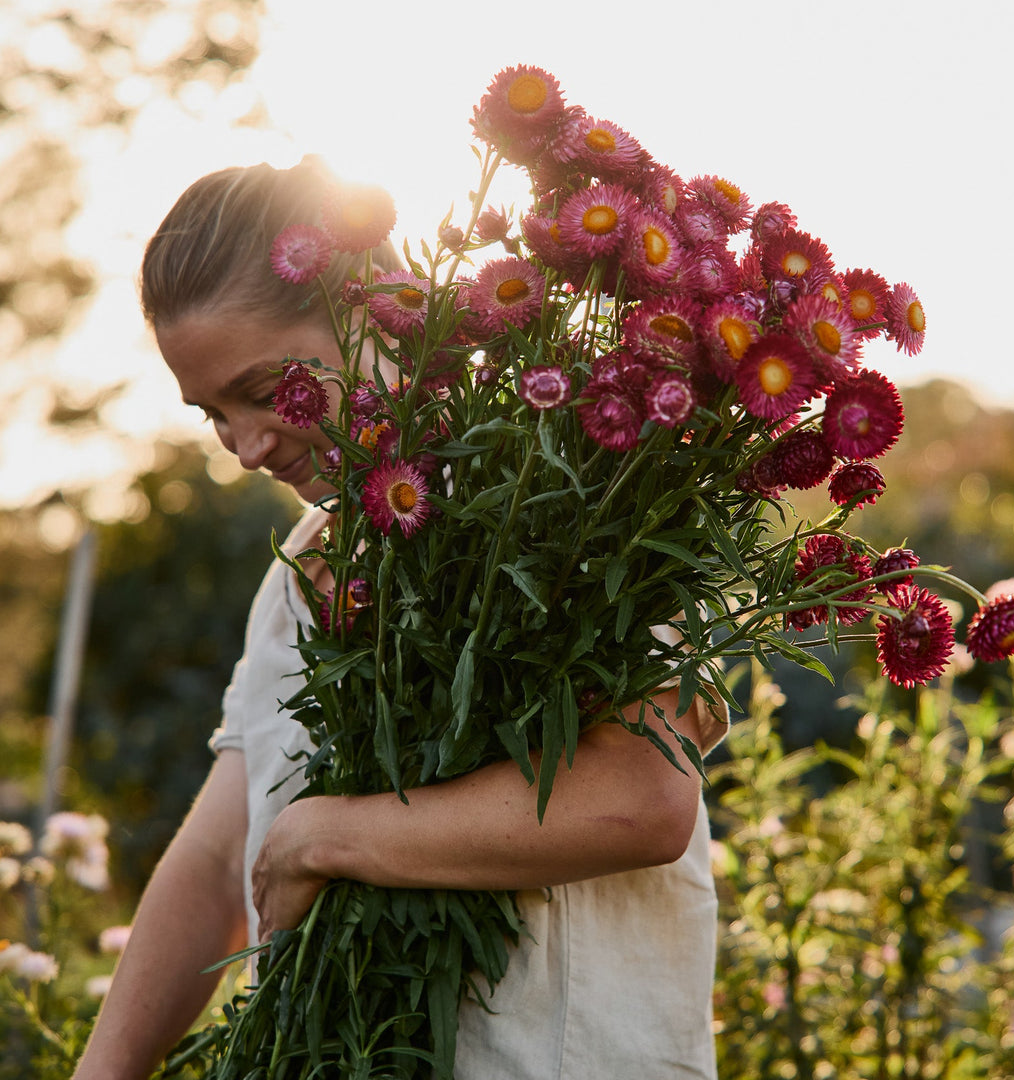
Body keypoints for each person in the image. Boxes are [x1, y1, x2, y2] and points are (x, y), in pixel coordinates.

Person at [72, 160, 728, 1080]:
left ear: (378, 310)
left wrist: (330, 836)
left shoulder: (574, 501)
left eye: (264, 390)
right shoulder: (303, 569)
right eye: (212, 412)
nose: (246, 446)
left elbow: (641, 799)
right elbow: (221, 857)